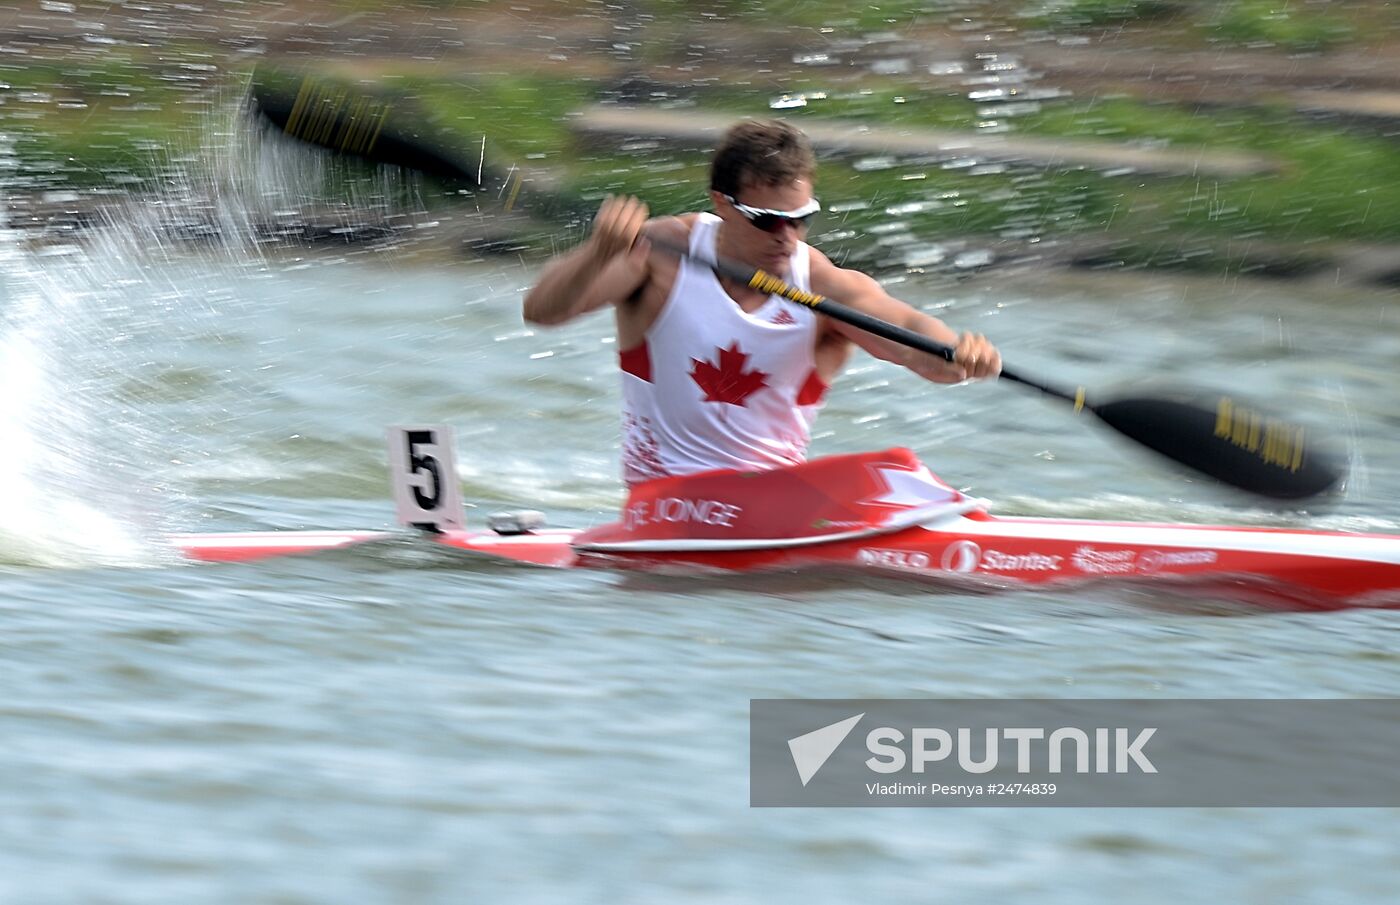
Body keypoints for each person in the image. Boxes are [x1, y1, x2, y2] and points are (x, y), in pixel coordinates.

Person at [523, 118, 1001, 486]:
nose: (787, 237)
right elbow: (543, 311)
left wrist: (958, 356)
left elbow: (914, 338)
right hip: (661, 500)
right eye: (768, 220)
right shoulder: (661, 254)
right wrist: (596, 255)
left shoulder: (822, 284)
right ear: (722, 204)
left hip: (772, 500)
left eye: (800, 219)